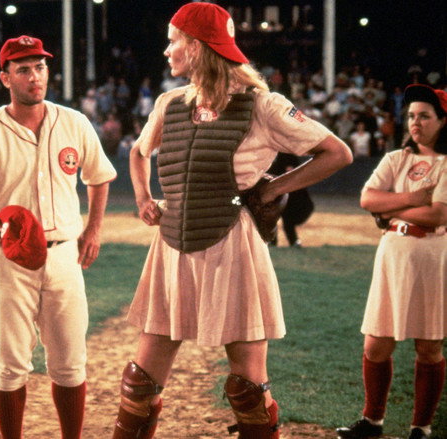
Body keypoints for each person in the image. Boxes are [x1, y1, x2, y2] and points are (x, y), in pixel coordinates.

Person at [110, 3, 353, 439]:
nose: (166, 50)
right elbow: (138, 152)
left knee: (247, 388)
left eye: (173, 41)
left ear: (197, 47)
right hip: (171, 245)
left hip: (231, 245)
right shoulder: (170, 103)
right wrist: (144, 197)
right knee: (139, 384)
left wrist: (274, 189)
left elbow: (337, 153)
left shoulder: (263, 105)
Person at [0, 35, 117, 439]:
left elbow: (99, 176)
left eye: (39, 67)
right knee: (9, 364)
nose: (34, 76)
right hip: (7, 257)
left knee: (71, 363)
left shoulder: (73, 122)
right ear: (5, 78)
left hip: (64, 255)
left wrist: (93, 229)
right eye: (23, 69)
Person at [336, 84, 447, 439]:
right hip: (392, 255)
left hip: (432, 256)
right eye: (412, 116)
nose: (416, 122)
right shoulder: (395, 158)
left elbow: (437, 215)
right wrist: (412, 199)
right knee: (376, 345)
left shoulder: (446, 163)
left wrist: (391, 208)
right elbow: (367, 199)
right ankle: (372, 421)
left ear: (443, 121)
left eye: (425, 116)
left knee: (428, 347)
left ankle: (421, 428)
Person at [268, 153, 315, 248]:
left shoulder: (286, 154)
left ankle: (289, 241)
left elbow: (290, 171)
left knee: (286, 219)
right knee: (273, 218)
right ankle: (275, 242)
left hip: (288, 192)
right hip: (277, 191)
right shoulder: (270, 154)